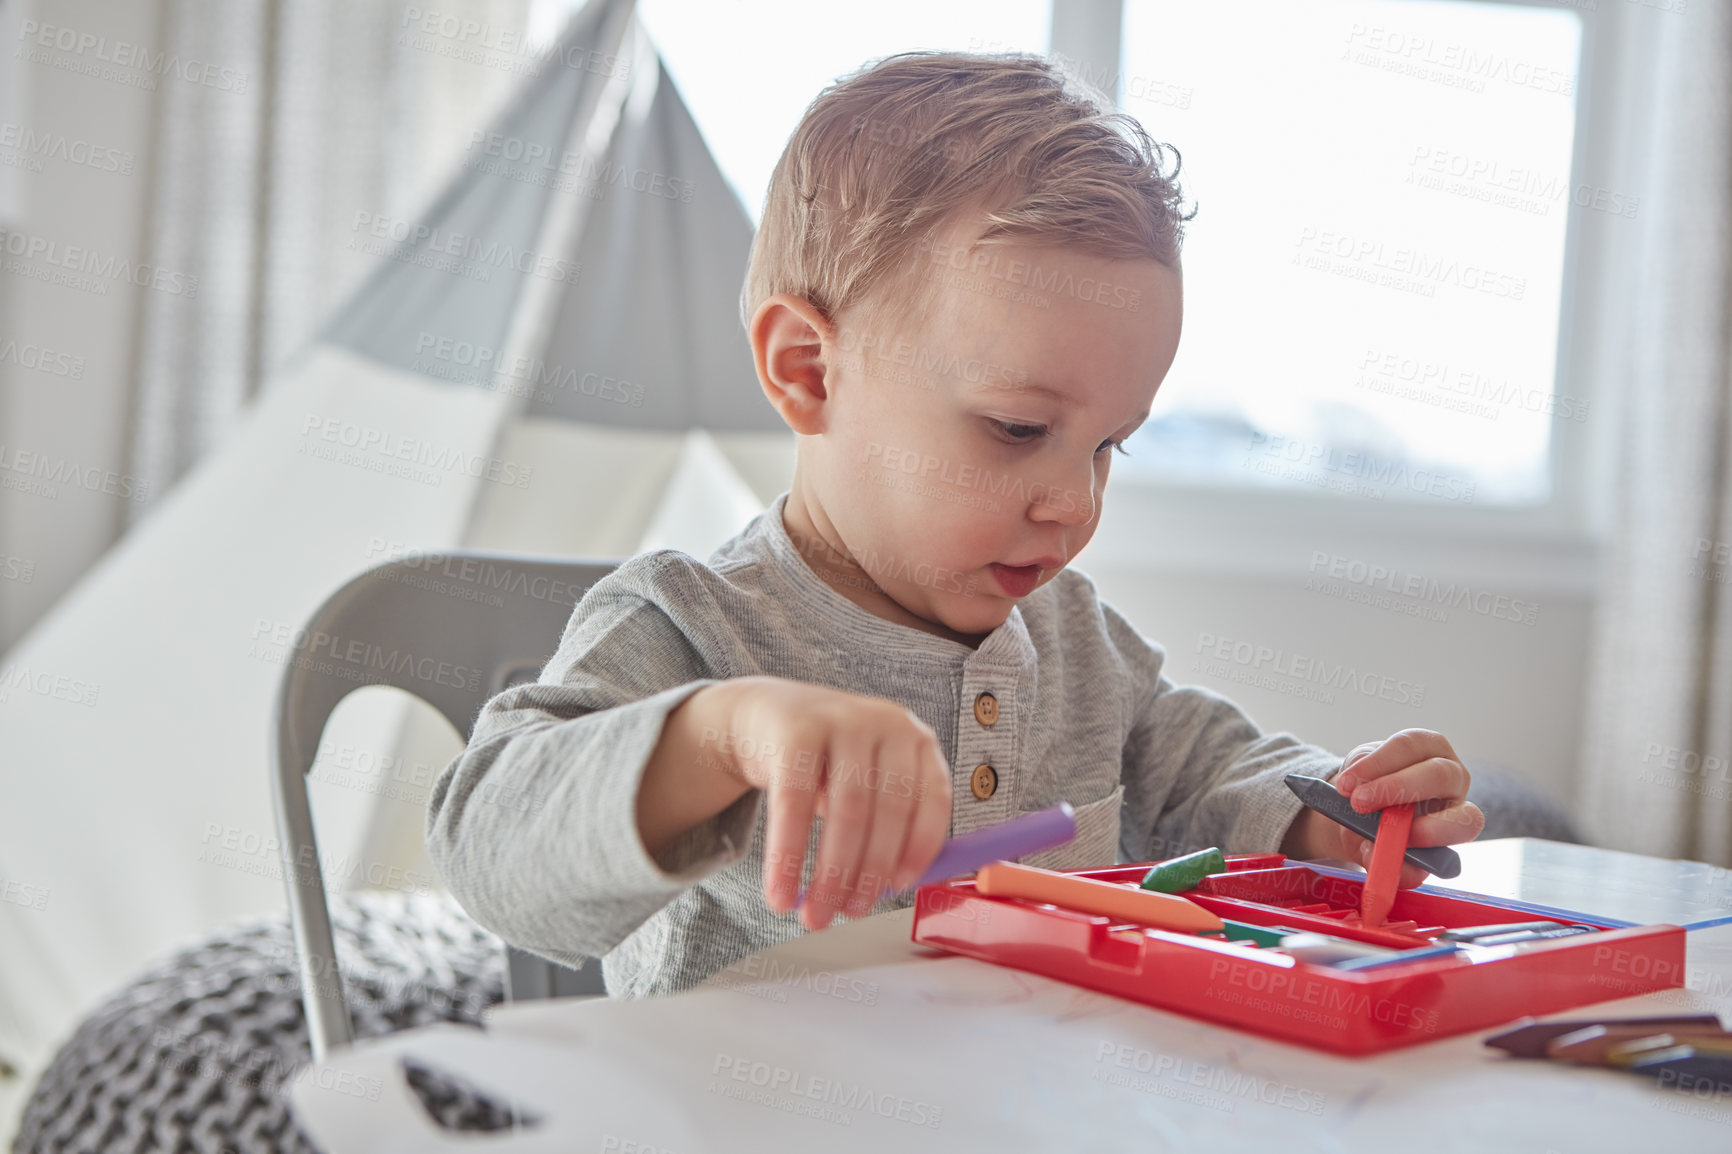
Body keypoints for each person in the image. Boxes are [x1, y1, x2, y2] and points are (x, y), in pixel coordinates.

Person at [426, 50, 1485, 999]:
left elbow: (1210, 777)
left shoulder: (1078, 641)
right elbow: (490, 852)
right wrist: (722, 732)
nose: (1075, 502)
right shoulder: (689, 624)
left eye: (1111, 443)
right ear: (808, 370)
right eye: (1017, 426)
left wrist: (1333, 808)